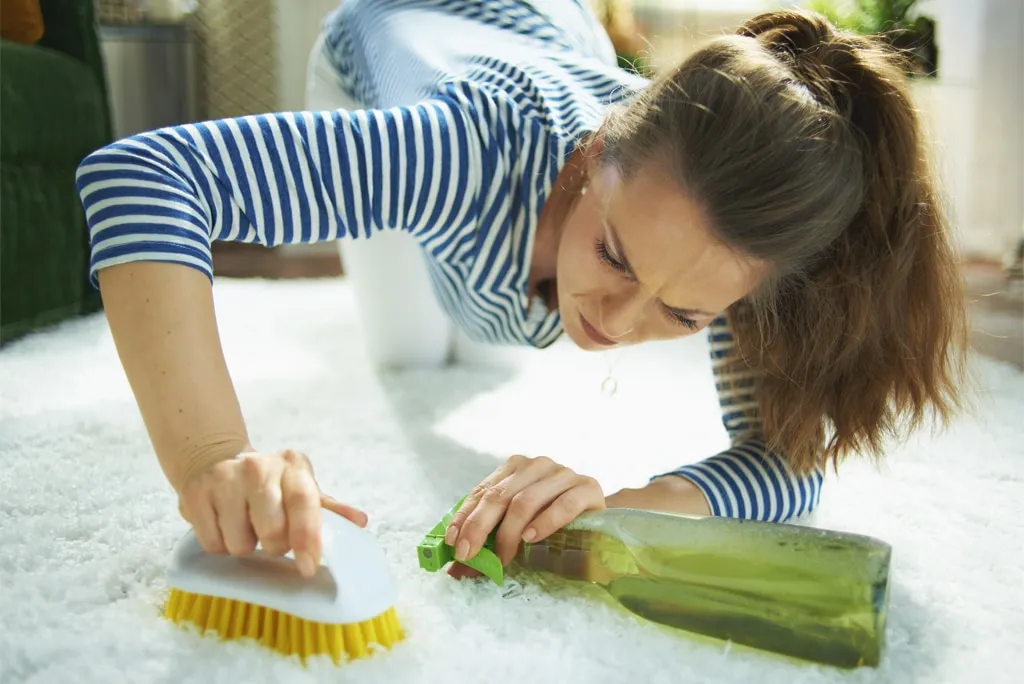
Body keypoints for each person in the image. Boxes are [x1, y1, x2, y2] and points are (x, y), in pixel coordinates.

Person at [75, 1, 967, 579]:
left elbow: (790, 467)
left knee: (492, 330)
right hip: (391, 35)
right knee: (417, 354)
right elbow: (140, 178)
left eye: (683, 314)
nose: (617, 324)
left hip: (554, 25)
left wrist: (615, 507)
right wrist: (212, 457)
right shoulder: (455, 154)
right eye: (616, 255)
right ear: (589, 160)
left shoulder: (719, 237)